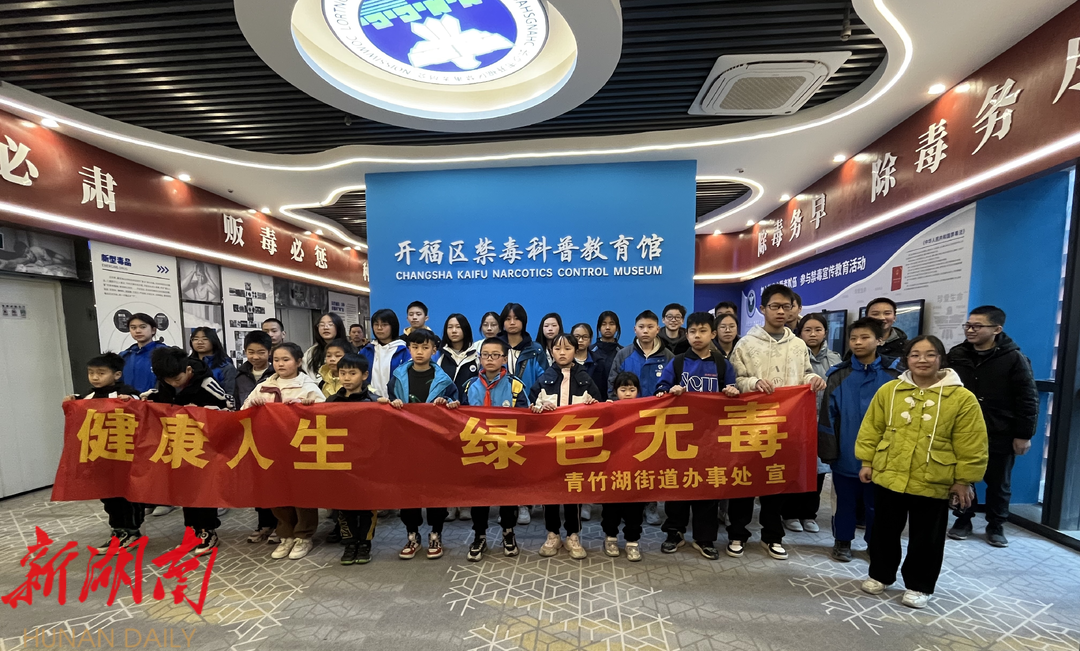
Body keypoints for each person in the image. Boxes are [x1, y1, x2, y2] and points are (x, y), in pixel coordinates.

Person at [857, 335, 988, 609]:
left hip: (934, 477)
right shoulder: (890, 391)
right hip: (890, 472)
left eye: (930, 354)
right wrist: (867, 461)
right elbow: (872, 428)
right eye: (915, 354)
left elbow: (971, 442)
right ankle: (880, 574)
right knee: (883, 529)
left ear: (941, 358)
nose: (922, 360)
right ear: (907, 359)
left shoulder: (961, 398)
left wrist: (964, 480)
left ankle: (919, 585)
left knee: (927, 536)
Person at [730, 284, 826, 561]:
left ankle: (772, 536)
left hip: (785, 425)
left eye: (787, 306)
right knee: (744, 480)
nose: (781, 311)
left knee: (776, 481)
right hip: (750, 424)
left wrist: (812, 379)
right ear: (762, 309)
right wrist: (752, 383)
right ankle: (737, 533)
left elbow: (805, 373)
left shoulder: (798, 345)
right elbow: (734, 380)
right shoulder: (746, 344)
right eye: (775, 306)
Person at [946, 306, 1039, 547]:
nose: (970, 330)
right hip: (963, 430)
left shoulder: (1014, 358)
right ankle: (963, 520)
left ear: (997, 329)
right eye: (968, 325)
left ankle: (996, 525)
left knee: (999, 484)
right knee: (963, 478)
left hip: (1000, 431)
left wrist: (1023, 434)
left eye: (977, 326)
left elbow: (1028, 398)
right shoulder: (957, 355)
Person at [655, 312, 739, 560]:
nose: (697, 336)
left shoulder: (722, 364)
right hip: (680, 437)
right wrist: (669, 390)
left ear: (712, 334)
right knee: (677, 486)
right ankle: (675, 532)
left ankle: (704, 538)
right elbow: (659, 390)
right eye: (692, 331)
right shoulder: (678, 362)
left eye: (703, 331)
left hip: (712, 438)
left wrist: (732, 391)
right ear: (687, 334)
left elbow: (733, 391)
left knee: (708, 488)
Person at [817, 317, 901, 562]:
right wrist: (829, 452)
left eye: (865, 337)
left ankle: (875, 543)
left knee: (877, 504)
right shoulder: (838, 375)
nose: (858, 342)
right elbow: (828, 417)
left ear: (879, 340)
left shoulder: (895, 375)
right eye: (853, 338)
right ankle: (842, 541)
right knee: (844, 502)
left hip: (884, 456)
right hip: (846, 452)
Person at [143, 346, 231, 556]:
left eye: (177, 379)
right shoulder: (165, 383)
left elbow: (229, 407)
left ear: (188, 370)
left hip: (203, 447)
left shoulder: (207, 384)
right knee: (184, 491)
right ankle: (192, 531)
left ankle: (208, 531)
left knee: (203, 490)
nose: (174, 384)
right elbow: (160, 400)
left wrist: (202, 411)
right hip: (177, 446)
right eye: (168, 380)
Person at [381, 328, 460, 560]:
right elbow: (388, 402)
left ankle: (436, 533)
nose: (419, 352)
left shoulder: (444, 380)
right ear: (408, 349)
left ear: (434, 350)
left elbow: (457, 405)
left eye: (425, 347)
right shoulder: (397, 376)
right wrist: (392, 404)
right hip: (406, 444)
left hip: (435, 445)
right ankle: (412, 534)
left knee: (436, 490)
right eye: (415, 347)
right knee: (408, 490)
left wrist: (448, 402)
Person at [242, 342, 324, 560]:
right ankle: (286, 534)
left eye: (286, 360)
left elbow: (325, 413)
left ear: (298, 362)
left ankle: (304, 536)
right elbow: (243, 412)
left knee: (302, 494)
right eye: (276, 360)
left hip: (300, 450)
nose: (280, 364)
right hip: (271, 449)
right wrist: (253, 404)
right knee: (277, 492)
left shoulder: (308, 385)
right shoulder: (264, 386)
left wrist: (307, 405)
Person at [529, 333, 602, 560]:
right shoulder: (543, 379)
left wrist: (593, 404)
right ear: (551, 351)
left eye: (567, 348)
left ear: (576, 351)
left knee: (573, 491)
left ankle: (573, 534)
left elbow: (600, 411)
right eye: (557, 348)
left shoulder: (586, 380)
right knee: (549, 492)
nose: (562, 353)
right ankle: (552, 533)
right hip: (549, 448)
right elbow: (530, 409)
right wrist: (537, 408)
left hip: (575, 448)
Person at [64, 353, 143, 551]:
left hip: (124, 456)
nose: (95, 377)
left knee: (126, 495)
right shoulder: (88, 397)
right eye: (91, 373)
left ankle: (131, 531)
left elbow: (141, 406)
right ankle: (118, 529)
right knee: (108, 495)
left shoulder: (126, 393)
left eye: (101, 373)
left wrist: (131, 401)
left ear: (117, 375)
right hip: (100, 456)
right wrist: (71, 403)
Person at [461, 337, 530, 561]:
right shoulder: (469, 386)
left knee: (507, 495)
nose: (489, 359)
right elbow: (459, 418)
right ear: (479, 358)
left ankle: (508, 533)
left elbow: (525, 419)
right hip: (478, 448)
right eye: (485, 355)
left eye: (495, 355)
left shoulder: (516, 386)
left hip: (506, 449)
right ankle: (479, 535)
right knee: (479, 496)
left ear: (504, 358)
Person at [782, 313, 841, 533]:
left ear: (825, 332)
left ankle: (809, 514)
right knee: (794, 467)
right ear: (800, 332)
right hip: (796, 421)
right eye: (808, 330)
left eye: (818, 329)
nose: (813, 334)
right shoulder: (791, 356)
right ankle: (789, 513)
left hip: (824, 421)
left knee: (819, 469)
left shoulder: (835, 359)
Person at [327, 353, 379, 565]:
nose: (346, 378)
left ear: (364, 375)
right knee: (344, 505)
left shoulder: (374, 401)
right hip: (340, 463)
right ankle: (349, 543)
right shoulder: (330, 402)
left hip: (367, 464)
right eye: (342, 373)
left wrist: (390, 406)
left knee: (367, 505)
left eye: (352, 373)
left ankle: (365, 543)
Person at [233, 330, 279, 543]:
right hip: (251, 434)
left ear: (269, 352)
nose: (255, 356)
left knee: (275, 480)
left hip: (275, 434)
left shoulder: (277, 372)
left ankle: (279, 524)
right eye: (251, 352)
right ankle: (264, 523)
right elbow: (237, 402)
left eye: (261, 352)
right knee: (257, 481)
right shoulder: (240, 374)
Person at [601, 371, 648, 561]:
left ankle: (632, 541)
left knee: (634, 507)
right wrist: (603, 410)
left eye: (632, 389)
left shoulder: (646, 409)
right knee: (611, 506)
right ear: (615, 391)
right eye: (623, 389)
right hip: (612, 468)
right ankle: (610, 538)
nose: (628, 394)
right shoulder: (608, 409)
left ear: (638, 390)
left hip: (636, 468)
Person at [438, 313, 477, 522]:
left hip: (469, 415)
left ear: (465, 330)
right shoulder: (440, 356)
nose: (454, 331)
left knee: (468, 459)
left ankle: (467, 503)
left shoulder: (476, 355)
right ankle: (451, 503)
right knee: (448, 461)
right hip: (445, 414)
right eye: (450, 327)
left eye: (458, 327)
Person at [607, 310, 673, 399]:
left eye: (650, 327)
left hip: (659, 407)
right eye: (641, 327)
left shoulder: (668, 356)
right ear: (635, 329)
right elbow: (612, 384)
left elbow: (675, 383)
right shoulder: (623, 354)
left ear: (657, 329)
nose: (645, 331)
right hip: (630, 407)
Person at [359, 308, 409, 399]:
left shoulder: (404, 352)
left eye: (384, 325)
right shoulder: (366, 351)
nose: (379, 328)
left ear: (393, 326)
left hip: (397, 402)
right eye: (376, 324)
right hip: (369, 401)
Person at [188, 327, 237, 406]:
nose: (199, 342)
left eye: (205, 339)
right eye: (195, 339)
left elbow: (230, 394)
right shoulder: (187, 365)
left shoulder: (226, 367)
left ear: (213, 341)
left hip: (217, 409)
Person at [119, 312, 166, 393]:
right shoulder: (124, 356)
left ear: (153, 330)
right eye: (133, 328)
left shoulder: (165, 353)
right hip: (129, 399)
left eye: (143, 327)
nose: (137, 331)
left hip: (156, 399)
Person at [571, 323, 610, 403]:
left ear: (590, 339)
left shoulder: (599, 362)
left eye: (585, 337)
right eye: (577, 337)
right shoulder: (566, 362)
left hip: (594, 404)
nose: (580, 340)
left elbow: (604, 388)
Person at [590, 310, 623, 401]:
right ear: (599, 328)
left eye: (612, 324)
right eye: (604, 324)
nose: (607, 327)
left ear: (617, 328)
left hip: (616, 400)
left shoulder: (623, 352)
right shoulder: (590, 351)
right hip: (593, 401)